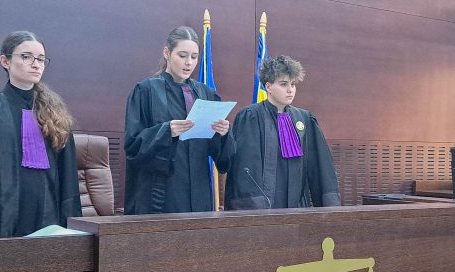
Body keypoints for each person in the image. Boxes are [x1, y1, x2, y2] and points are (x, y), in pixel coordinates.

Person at [0, 31, 81, 237]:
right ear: (5, 61)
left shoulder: (56, 113)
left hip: (48, 214)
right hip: (3, 216)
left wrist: (70, 224)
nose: (36, 64)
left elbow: (68, 176)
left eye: (41, 59)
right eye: (26, 57)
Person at [123, 26, 234, 214]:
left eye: (194, 57)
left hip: (199, 191)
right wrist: (166, 131)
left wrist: (222, 134)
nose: (189, 63)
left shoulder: (206, 94)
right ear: (167, 53)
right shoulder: (145, 91)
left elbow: (222, 158)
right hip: (161, 193)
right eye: (182, 56)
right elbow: (132, 146)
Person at [225, 55, 340, 210]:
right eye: (283, 84)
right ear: (268, 87)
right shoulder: (250, 117)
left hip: (297, 206)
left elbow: (320, 166)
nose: (290, 90)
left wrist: (329, 207)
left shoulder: (305, 119)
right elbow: (243, 167)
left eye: (293, 84)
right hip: (263, 207)